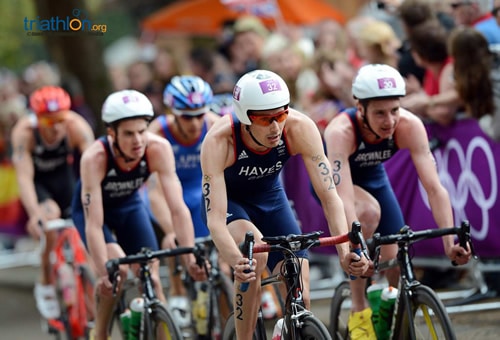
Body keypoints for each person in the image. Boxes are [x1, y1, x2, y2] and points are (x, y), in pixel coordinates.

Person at [200, 69, 369, 340]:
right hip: (232, 205)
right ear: (245, 117)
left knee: (301, 297)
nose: (276, 127)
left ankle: (288, 330)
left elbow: (330, 197)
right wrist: (236, 262)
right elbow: (215, 220)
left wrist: (343, 253)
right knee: (254, 253)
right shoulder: (220, 140)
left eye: (280, 115)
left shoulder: (300, 127)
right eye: (265, 119)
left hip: (272, 200)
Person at [323, 64, 472, 339]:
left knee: (394, 256)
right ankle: (358, 308)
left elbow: (435, 188)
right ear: (360, 108)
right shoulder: (340, 131)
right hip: (335, 185)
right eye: (379, 113)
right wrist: (355, 250)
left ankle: (388, 304)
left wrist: (450, 243)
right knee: (367, 213)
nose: (389, 121)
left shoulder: (409, 124)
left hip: (372, 178)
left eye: (394, 110)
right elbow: (343, 200)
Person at [71, 89, 206, 339]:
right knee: (117, 273)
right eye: (129, 134)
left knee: (152, 278)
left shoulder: (159, 148)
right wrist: (103, 271)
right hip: (94, 214)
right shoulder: (95, 158)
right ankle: (100, 332)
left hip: (129, 207)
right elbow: (93, 224)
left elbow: (177, 208)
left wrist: (189, 257)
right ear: (111, 133)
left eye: (142, 131)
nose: (138, 141)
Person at [10, 85, 95, 320]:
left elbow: (94, 165)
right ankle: (45, 277)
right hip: (40, 185)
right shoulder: (24, 133)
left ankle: (90, 299)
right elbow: (24, 178)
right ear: (37, 120)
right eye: (48, 122)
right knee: (50, 218)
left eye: (60, 120)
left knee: (85, 225)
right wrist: (34, 214)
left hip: (66, 180)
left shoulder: (76, 126)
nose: (56, 127)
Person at [148, 75, 220, 324]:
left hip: (201, 186)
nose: (195, 123)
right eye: (187, 116)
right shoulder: (157, 132)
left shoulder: (213, 124)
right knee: (174, 236)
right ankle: (177, 291)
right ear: (173, 112)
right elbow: (154, 191)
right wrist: (170, 229)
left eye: (200, 114)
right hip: (167, 190)